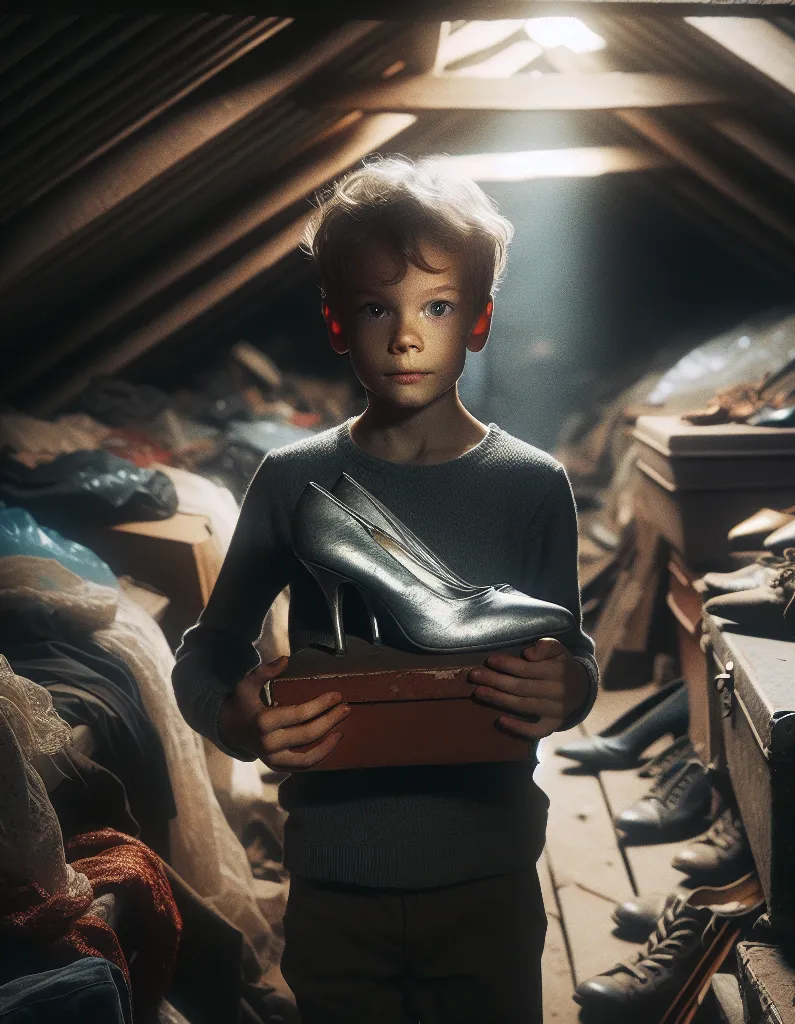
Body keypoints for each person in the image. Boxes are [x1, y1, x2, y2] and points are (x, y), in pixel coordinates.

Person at [171, 155, 599, 1024]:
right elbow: (209, 651)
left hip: (489, 874)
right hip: (336, 878)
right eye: (377, 307)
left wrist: (573, 688)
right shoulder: (293, 480)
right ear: (337, 322)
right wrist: (235, 718)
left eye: (437, 307)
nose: (407, 336)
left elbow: (572, 653)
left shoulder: (532, 483)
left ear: (478, 322)